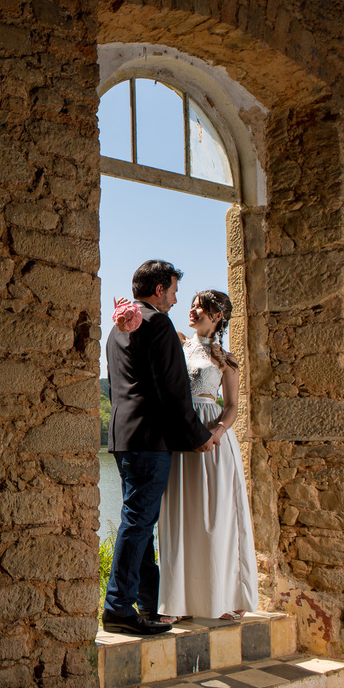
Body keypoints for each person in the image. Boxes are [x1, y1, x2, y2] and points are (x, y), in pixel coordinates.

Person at [103, 261, 221, 635]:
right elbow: (172, 390)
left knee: (139, 521)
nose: (174, 298)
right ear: (158, 290)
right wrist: (197, 436)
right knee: (138, 523)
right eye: (172, 290)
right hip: (151, 438)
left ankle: (150, 604)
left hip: (124, 437)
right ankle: (118, 607)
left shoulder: (116, 329)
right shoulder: (157, 323)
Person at [155, 289, 260, 621]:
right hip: (178, 434)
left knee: (216, 518)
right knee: (179, 515)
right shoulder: (180, 341)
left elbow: (231, 408)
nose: (194, 310)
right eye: (193, 305)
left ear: (219, 318)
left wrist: (215, 433)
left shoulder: (226, 360)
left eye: (202, 307)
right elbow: (156, 320)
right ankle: (174, 603)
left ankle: (223, 597)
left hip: (211, 437)